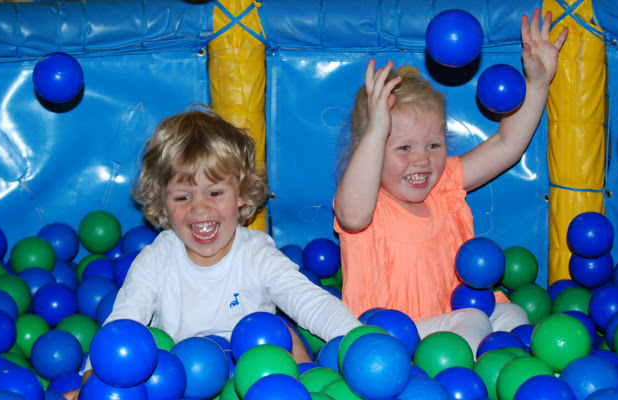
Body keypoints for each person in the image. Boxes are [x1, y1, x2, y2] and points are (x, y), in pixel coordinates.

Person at [65, 106, 360, 398]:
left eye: (215, 192)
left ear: (241, 193)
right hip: (181, 378)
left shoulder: (256, 253)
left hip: (257, 376)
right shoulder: (156, 259)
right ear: (163, 205)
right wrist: (94, 382)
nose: (200, 208)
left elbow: (308, 301)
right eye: (182, 197)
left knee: (282, 329)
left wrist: (358, 340)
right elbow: (123, 322)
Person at [334, 9, 568, 355]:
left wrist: (537, 84)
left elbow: (506, 147)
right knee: (473, 321)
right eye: (402, 147)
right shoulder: (367, 206)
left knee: (510, 313)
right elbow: (352, 216)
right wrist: (376, 131)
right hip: (388, 341)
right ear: (368, 149)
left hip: (456, 319)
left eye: (434, 145)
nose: (421, 160)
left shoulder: (442, 187)